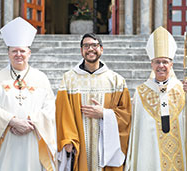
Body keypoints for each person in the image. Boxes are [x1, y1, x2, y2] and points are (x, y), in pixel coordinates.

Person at [0, 17, 57, 171]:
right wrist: (12, 121)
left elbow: (50, 108)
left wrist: (29, 122)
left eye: (22, 51)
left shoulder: (41, 78)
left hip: (32, 137)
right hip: (6, 138)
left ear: (29, 53)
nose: (18, 54)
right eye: (14, 51)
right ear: (8, 53)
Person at [124, 26, 187, 171]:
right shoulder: (141, 92)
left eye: (165, 62)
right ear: (151, 64)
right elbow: (135, 127)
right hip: (150, 153)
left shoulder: (182, 89)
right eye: (157, 62)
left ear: (171, 64)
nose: (161, 66)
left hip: (180, 151)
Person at [56, 33, 132, 171]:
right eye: (86, 46)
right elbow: (63, 112)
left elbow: (126, 114)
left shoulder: (116, 80)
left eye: (94, 45)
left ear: (101, 49)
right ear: (81, 50)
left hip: (106, 146)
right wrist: (67, 139)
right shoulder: (69, 79)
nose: (90, 49)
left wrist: (105, 114)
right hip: (79, 142)